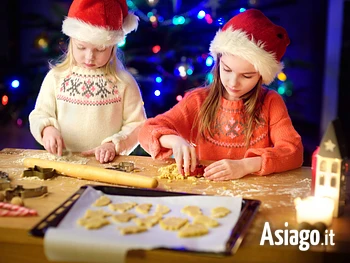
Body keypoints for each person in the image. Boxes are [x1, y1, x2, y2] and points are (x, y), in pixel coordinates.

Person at [139, 9, 303, 180]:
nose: (233, 82)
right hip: (206, 194)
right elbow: (146, 131)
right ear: (218, 63)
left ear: (262, 76)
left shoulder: (271, 103)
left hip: (255, 193)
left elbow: (293, 151)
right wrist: (174, 141)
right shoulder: (199, 101)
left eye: (247, 76)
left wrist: (245, 165)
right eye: (226, 69)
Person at [29, 0, 146, 163]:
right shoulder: (56, 77)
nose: (90, 57)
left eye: (100, 49)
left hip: (108, 165)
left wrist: (113, 145)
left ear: (112, 47)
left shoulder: (124, 82)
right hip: (63, 162)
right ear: (71, 42)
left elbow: (137, 124)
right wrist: (47, 129)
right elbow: (40, 114)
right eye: (81, 47)